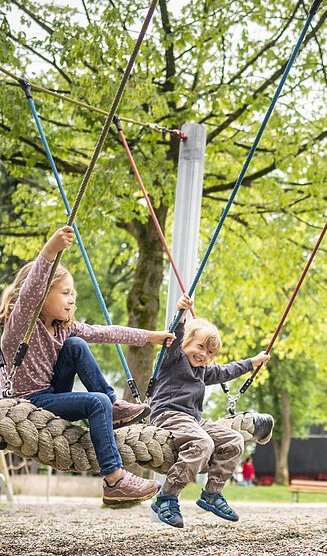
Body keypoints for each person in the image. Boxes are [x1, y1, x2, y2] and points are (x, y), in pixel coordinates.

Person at [0, 226, 176, 505]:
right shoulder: (20, 326)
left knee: (78, 346)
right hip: (25, 403)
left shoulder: (63, 330)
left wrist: (151, 337)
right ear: (43, 295)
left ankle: (112, 405)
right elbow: (31, 291)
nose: (72, 299)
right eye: (65, 293)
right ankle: (114, 480)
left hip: (50, 395)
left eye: (74, 294)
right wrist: (50, 250)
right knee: (96, 403)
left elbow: (106, 333)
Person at [149, 293, 270, 528]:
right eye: (200, 346)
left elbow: (227, 371)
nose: (204, 354)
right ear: (186, 343)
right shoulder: (172, 359)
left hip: (193, 421)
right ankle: (167, 496)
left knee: (234, 440)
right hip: (168, 415)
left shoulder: (203, 371)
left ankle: (212, 493)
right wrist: (181, 314)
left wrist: (252, 362)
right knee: (203, 443)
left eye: (210, 353)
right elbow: (174, 338)